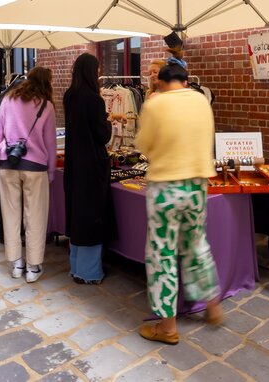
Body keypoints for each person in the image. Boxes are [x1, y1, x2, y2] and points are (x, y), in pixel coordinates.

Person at [133, 55, 222, 344]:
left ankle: (168, 327)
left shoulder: (155, 103)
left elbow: (144, 145)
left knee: (162, 255)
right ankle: (212, 306)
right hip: (197, 184)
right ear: (185, 80)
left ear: (161, 82)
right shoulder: (200, 101)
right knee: (197, 243)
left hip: (165, 188)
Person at [0, 67, 57, 283]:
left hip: (8, 163)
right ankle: (33, 266)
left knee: (10, 215)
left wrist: (1, 153)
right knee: (35, 216)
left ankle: (16, 263)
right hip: (36, 167)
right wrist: (51, 170)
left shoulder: (8, 99)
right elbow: (50, 142)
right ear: (46, 83)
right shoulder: (46, 106)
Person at [63, 53, 119, 284]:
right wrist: (108, 122)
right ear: (90, 71)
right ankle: (89, 272)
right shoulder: (94, 99)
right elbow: (102, 135)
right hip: (92, 166)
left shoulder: (70, 95)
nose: (99, 73)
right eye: (97, 69)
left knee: (77, 214)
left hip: (74, 163)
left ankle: (76, 266)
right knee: (92, 217)